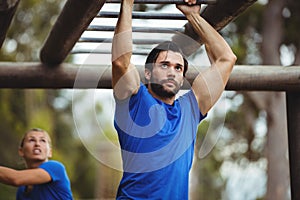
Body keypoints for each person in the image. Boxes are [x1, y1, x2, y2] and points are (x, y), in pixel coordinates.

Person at [111, 0, 237, 199]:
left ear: (183, 77)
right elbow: (120, 62)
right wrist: (127, 3)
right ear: (148, 73)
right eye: (164, 65)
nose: (172, 72)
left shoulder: (190, 109)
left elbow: (226, 59)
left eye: (178, 68)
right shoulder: (134, 101)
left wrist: (193, 16)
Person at [0, 128, 73, 200]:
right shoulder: (22, 190)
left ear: (50, 152)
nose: (37, 144)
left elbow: (16, 178)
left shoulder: (55, 168)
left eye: (43, 140)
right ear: (21, 151)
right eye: (31, 140)